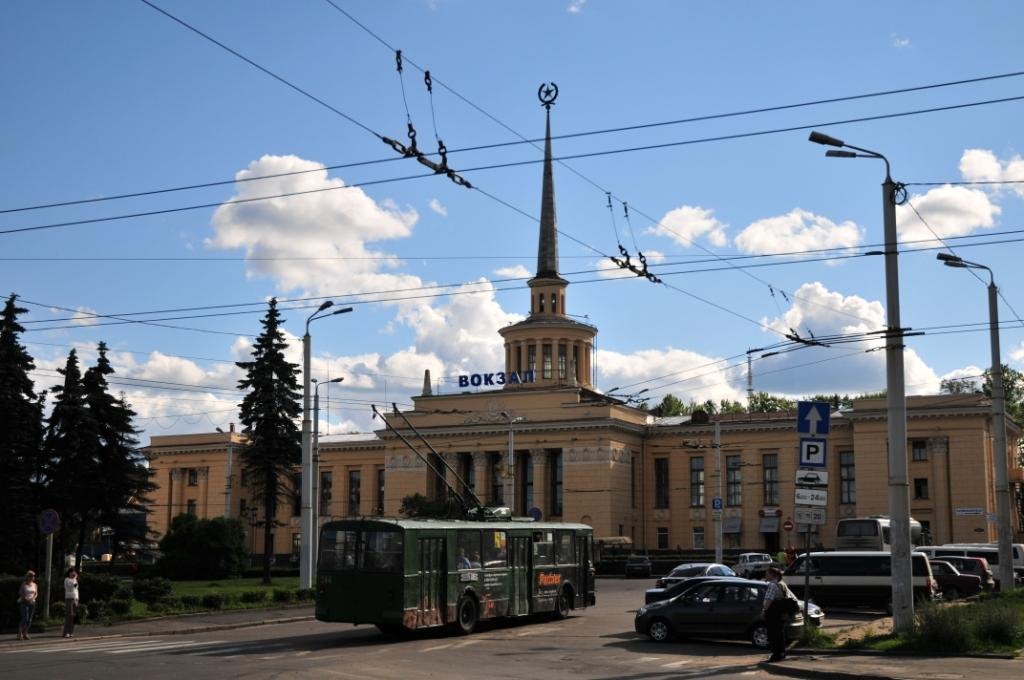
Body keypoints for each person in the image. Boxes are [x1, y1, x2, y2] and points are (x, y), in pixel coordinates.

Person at [762, 567, 797, 662]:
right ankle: (781, 653)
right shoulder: (782, 584)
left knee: (773, 634)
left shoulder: (773, 585)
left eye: (767, 574)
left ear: (774, 575)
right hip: (781, 613)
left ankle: (776, 655)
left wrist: (764, 610)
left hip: (773, 613)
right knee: (779, 633)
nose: (766, 575)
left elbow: (768, 600)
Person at [17, 571, 38, 641]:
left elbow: (36, 594)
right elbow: (20, 592)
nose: (32, 577)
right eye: (31, 576)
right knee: (24, 618)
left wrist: (32, 599)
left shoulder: (35, 585)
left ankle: (25, 633)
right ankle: (20, 634)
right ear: (28, 577)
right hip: (24, 602)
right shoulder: (24, 584)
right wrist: (25, 599)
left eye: (33, 576)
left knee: (29, 619)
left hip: (32, 603)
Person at [62, 569, 79, 639]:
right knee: (69, 616)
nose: (73, 574)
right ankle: (66, 632)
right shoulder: (67, 580)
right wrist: (74, 579)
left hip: (75, 599)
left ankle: (71, 632)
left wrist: (77, 598)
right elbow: (70, 587)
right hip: (69, 599)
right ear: (69, 573)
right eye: (72, 572)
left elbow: (76, 589)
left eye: (74, 572)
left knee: (73, 617)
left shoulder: (75, 580)